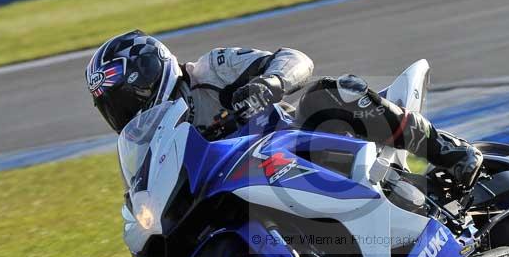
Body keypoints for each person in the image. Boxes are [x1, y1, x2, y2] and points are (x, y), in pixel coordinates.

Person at [85, 30, 482, 187]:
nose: (122, 113)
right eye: (112, 107)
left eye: (123, 98)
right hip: (258, 186)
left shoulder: (211, 69)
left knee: (327, 93)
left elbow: (295, 59)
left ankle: (448, 150)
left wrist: (266, 84)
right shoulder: (154, 146)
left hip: (302, 144)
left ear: (148, 76)